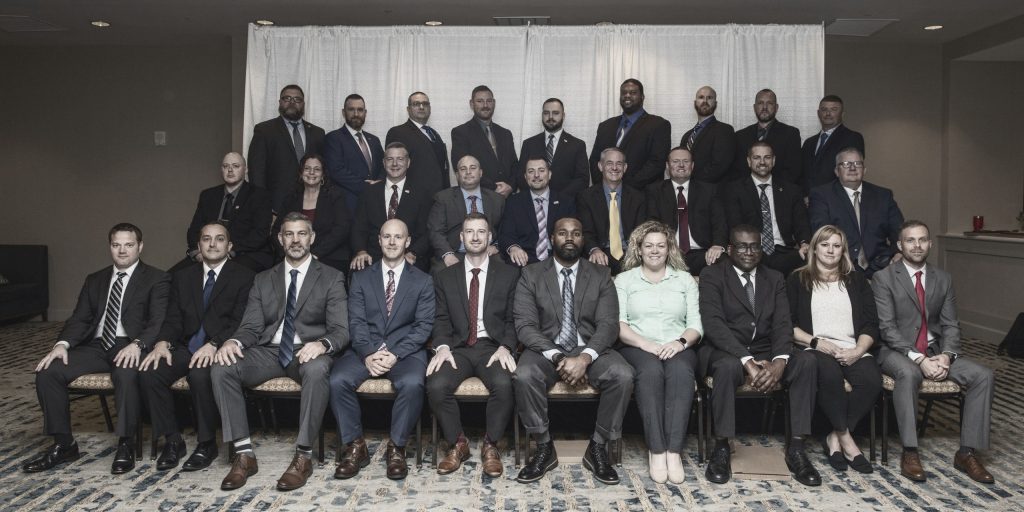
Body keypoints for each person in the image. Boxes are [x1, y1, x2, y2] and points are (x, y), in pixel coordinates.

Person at [211, 212, 348, 492]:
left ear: (312, 238)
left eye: (301, 233)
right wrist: (234, 342)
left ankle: (303, 456)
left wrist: (322, 344)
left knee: (318, 369)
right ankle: (244, 454)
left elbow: (341, 330)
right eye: (289, 234)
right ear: (280, 239)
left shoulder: (331, 277)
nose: (295, 240)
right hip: (269, 351)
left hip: (307, 351)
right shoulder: (263, 279)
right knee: (223, 366)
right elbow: (251, 326)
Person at [25, 223, 170, 475]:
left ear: (140, 246)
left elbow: (158, 321)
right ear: (110, 247)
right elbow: (79, 319)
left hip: (130, 344)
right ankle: (64, 444)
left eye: (129, 245)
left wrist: (138, 344)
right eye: (116, 245)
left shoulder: (157, 278)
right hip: (96, 345)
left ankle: (125, 443)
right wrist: (61, 345)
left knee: (125, 374)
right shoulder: (95, 279)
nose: (122, 250)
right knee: (49, 372)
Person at [872, 220, 995, 484]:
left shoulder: (943, 278)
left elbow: (951, 325)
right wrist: (919, 359)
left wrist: (947, 356)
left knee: (983, 375)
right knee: (909, 373)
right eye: (910, 240)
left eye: (922, 240)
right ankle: (910, 451)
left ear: (930, 244)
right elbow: (887, 328)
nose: (916, 245)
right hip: (896, 352)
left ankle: (966, 452)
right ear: (900, 245)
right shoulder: (884, 278)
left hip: (935, 351)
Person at [513, 217, 633, 485]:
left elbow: (608, 325)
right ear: (551, 238)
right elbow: (525, 326)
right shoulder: (531, 274)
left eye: (576, 233)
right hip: (546, 349)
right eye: (563, 233)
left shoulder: (601, 275)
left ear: (583, 239)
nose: (569, 238)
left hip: (589, 346)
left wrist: (585, 358)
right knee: (524, 375)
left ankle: (598, 446)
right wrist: (558, 357)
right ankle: (544, 446)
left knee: (622, 375)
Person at [699, 225, 820, 487]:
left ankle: (797, 448)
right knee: (727, 367)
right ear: (729, 249)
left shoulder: (774, 278)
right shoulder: (712, 275)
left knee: (807, 361)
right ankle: (721, 446)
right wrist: (747, 362)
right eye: (742, 246)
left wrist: (780, 361)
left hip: (767, 349)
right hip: (727, 349)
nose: (749, 252)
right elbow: (713, 324)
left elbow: (782, 323)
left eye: (755, 246)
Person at [138, 222, 255, 472]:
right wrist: (162, 343)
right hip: (186, 346)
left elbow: (241, 320)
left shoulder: (244, 276)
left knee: (200, 376)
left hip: (219, 346)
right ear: (199, 245)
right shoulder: (183, 277)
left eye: (219, 239)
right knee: (150, 372)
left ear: (229, 246)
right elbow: (173, 318)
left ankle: (206, 443)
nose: (212, 244)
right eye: (206, 239)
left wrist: (215, 344)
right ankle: (173, 440)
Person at [331, 219, 435, 481]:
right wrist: (368, 354)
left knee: (412, 383)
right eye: (386, 236)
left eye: (398, 237)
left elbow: (423, 327)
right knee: (338, 379)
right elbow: (355, 321)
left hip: (406, 351)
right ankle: (356, 446)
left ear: (407, 242)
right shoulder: (361, 277)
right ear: (378, 240)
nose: (392, 242)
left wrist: (395, 353)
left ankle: (397, 447)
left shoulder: (423, 281)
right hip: (366, 348)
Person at [427, 213, 520, 477]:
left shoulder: (509, 274)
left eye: (481, 232)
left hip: (493, 347)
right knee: (435, 384)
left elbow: (515, 320)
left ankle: (491, 445)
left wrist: (506, 347)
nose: (476, 237)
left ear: (490, 237)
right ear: (461, 237)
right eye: (470, 232)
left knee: (505, 384)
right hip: (457, 348)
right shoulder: (445, 276)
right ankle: (458, 443)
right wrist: (442, 347)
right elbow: (440, 318)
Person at [786, 225, 881, 474]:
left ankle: (835, 437)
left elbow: (871, 323)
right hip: (815, 347)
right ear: (814, 249)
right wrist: (815, 342)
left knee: (871, 380)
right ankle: (847, 440)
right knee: (830, 375)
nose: (830, 250)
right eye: (825, 244)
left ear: (843, 250)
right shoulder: (798, 279)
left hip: (852, 346)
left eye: (836, 246)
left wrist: (858, 350)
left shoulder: (857, 280)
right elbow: (787, 324)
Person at [615, 220, 702, 484]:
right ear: (639, 249)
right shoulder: (624, 280)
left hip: (678, 346)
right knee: (650, 372)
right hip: (637, 346)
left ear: (669, 249)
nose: (654, 251)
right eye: (648, 245)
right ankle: (656, 450)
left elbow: (695, 325)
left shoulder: (684, 280)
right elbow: (619, 325)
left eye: (660, 246)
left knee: (681, 372)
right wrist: (647, 345)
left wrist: (679, 343)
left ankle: (673, 452)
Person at [171, 152, 273, 273]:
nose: (230, 170)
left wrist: (227, 252)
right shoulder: (208, 195)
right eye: (226, 166)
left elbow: (259, 234)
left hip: (244, 254)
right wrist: (197, 252)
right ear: (221, 169)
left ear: (245, 170)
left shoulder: (260, 196)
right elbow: (194, 230)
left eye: (235, 166)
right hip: (207, 254)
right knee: (170, 277)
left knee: (228, 275)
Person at [809, 147, 904, 278]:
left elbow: (899, 230)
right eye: (846, 164)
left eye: (857, 163)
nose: (852, 168)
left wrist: (899, 252)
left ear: (864, 170)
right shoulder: (822, 195)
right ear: (836, 171)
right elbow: (822, 232)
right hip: (840, 266)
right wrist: (840, 261)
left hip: (882, 266)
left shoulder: (883, 196)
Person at [722, 142, 810, 276]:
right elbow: (735, 225)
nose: (762, 162)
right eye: (756, 157)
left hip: (785, 252)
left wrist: (804, 243)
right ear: (749, 161)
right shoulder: (734, 190)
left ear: (773, 161)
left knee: (807, 263)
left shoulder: (791, 190)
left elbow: (801, 223)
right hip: (751, 251)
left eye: (767, 157)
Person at [351, 142, 432, 272]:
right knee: (358, 269)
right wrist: (361, 251)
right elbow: (359, 227)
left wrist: (413, 253)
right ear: (384, 163)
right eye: (390, 159)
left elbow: (426, 232)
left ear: (408, 163)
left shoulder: (421, 194)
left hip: (408, 256)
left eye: (400, 159)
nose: (395, 164)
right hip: (373, 257)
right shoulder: (369, 192)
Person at [646, 147, 727, 276]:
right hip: (668, 253)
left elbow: (719, 222)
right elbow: (652, 223)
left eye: (686, 161)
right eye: (675, 161)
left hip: (702, 252)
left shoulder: (708, 190)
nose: (681, 165)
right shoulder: (655, 190)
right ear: (667, 166)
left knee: (723, 261)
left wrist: (718, 245)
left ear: (692, 165)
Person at [248, 84, 326, 214]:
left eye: (297, 99)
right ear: (280, 102)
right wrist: (262, 204)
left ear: (303, 104)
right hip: (275, 205)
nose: (292, 102)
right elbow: (257, 171)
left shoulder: (318, 133)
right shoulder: (265, 130)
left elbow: (323, 169)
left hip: (312, 203)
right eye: (287, 98)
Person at [272, 154, 353, 273]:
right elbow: (276, 230)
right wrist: (289, 254)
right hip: (293, 255)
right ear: (301, 173)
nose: (311, 172)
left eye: (317, 169)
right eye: (307, 168)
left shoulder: (335, 196)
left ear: (323, 174)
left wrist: (315, 254)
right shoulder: (291, 198)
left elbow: (341, 229)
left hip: (328, 256)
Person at [589, 78, 672, 190]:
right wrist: (603, 187)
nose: (627, 95)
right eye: (624, 93)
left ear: (642, 97)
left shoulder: (659, 125)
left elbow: (657, 163)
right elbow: (595, 160)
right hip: (605, 194)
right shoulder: (605, 126)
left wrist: (625, 189)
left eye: (633, 93)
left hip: (642, 194)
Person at [428, 155, 505, 271]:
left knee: (503, 270)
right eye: (463, 169)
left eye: (473, 168)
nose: (468, 172)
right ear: (457, 175)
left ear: (480, 173)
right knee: (440, 271)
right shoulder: (443, 198)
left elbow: (505, 229)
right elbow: (435, 231)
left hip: (487, 253)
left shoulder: (497, 199)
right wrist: (447, 254)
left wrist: (496, 246)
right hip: (455, 253)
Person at [577, 148, 646, 275]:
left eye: (619, 164)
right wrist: (594, 249)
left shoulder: (638, 197)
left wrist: (634, 253)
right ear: (600, 166)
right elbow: (586, 231)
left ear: (625, 167)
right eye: (609, 163)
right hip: (600, 252)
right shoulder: (586, 197)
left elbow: (641, 231)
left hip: (630, 253)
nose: (614, 168)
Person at [498, 157, 577, 266]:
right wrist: (514, 248)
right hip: (524, 259)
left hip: (558, 259)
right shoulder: (513, 202)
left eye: (541, 170)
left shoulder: (566, 202)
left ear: (549, 174)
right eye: (531, 171)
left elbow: (573, 235)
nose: (536, 175)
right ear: (525, 177)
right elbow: (506, 234)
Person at [516, 98, 590, 198]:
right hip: (533, 204)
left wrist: (558, 198)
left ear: (563, 116)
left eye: (555, 113)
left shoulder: (577, 145)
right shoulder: (529, 144)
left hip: (566, 203)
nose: (550, 117)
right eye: (546, 113)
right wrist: (538, 196)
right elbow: (521, 176)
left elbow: (582, 179)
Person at [451, 85, 517, 196]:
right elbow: (462, 168)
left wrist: (510, 186)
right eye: (480, 101)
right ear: (471, 104)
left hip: (508, 198)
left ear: (494, 103)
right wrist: (495, 188)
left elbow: (515, 165)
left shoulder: (506, 133)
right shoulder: (460, 133)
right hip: (479, 197)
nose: (485, 105)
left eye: (489, 101)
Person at [323, 94, 385, 211]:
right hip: (346, 205)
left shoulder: (374, 140)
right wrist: (367, 187)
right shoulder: (333, 138)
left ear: (365, 113)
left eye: (360, 110)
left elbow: (384, 165)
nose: (356, 114)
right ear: (343, 112)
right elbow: (336, 170)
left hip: (374, 203)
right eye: (351, 109)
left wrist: (378, 184)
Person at [385, 92, 451, 195]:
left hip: (440, 197)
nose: (421, 107)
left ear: (430, 108)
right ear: (408, 109)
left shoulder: (434, 133)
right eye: (416, 104)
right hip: (414, 197)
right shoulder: (398, 132)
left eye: (425, 104)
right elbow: (392, 166)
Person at [799, 95, 865, 197]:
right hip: (808, 200)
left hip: (836, 200)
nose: (828, 113)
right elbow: (802, 173)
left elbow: (851, 174)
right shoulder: (809, 143)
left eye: (834, 109)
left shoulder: (852, 138)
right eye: (824, 109)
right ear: (818, 113)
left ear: (842, 114)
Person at [733, 89, 802, 185]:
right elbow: (737, 171)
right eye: (760, 103)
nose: (764, 107)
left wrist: (769, 189)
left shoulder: (791, 134)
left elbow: (793, 170)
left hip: (780, 191)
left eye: (769, 103)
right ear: (754, 107)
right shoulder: (740, 136)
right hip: (747, 191)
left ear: (776, 108)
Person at [679, 85, 735, 184]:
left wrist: (693, 184)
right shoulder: (686, 136)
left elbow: (719, 166)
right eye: (701, 97)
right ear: (695, 103)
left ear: (715, 103)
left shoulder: (724, 130)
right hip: (688, 189)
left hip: (712, 190)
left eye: (709, 98)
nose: (705, 101)